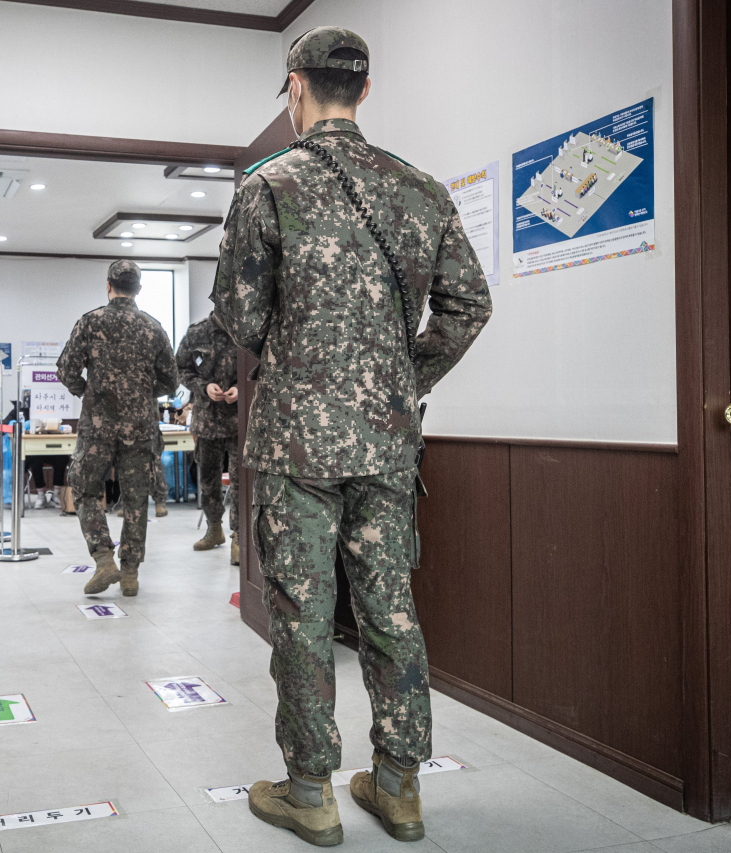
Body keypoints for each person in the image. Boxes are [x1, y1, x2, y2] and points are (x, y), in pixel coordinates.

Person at [213, 27, 492, 847]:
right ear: (364, 91)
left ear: (295, 87)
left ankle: (311, 791)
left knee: (301, 612)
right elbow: (469, 306)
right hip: (388, 441)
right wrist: (402, 381)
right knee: (390, 606)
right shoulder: (421, 189)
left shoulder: (269, 184)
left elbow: (238, 311)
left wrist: (300, 355)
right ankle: (400, 784)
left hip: (297, 441)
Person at [58, 260, 178, 597]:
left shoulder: (90, 322)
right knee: (137, 499)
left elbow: (66, 371)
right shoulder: (153, 327)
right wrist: (139, 394)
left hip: (97, 426)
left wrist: (91, 393)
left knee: (84, 486)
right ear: (138, 289)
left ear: (108, 286)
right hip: (140, 427)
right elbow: (170, 380)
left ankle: (103, 557)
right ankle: (129, 575)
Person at [176, 313, 240, 563]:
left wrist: (241, 389)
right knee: (208, 479)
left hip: (239, 421)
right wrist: (203, 387)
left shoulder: (245, 329)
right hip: (207, 418)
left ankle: (238, 537)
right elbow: (181, 368)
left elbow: (262, 369)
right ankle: (214, 529)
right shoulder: (197, 333)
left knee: (239, 482)